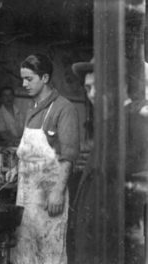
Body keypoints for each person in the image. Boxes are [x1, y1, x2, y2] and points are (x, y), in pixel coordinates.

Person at [71, 58, 148, 264]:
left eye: (100, 86)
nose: (93, 94)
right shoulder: (111, 124)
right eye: (88, 88)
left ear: (121, 86)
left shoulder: (136, 123)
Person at [9, 53, 80, 264]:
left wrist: (58, 192)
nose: (24, 84)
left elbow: (68, 156)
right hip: (26, 197)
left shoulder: (64, 108)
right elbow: (28, 150)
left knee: (49, 253)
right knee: (25, 251)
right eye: (22, 79)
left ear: (45, 78)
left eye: (29, 79)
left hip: (49, 198)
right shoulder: (31, 110)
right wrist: (17, 168)